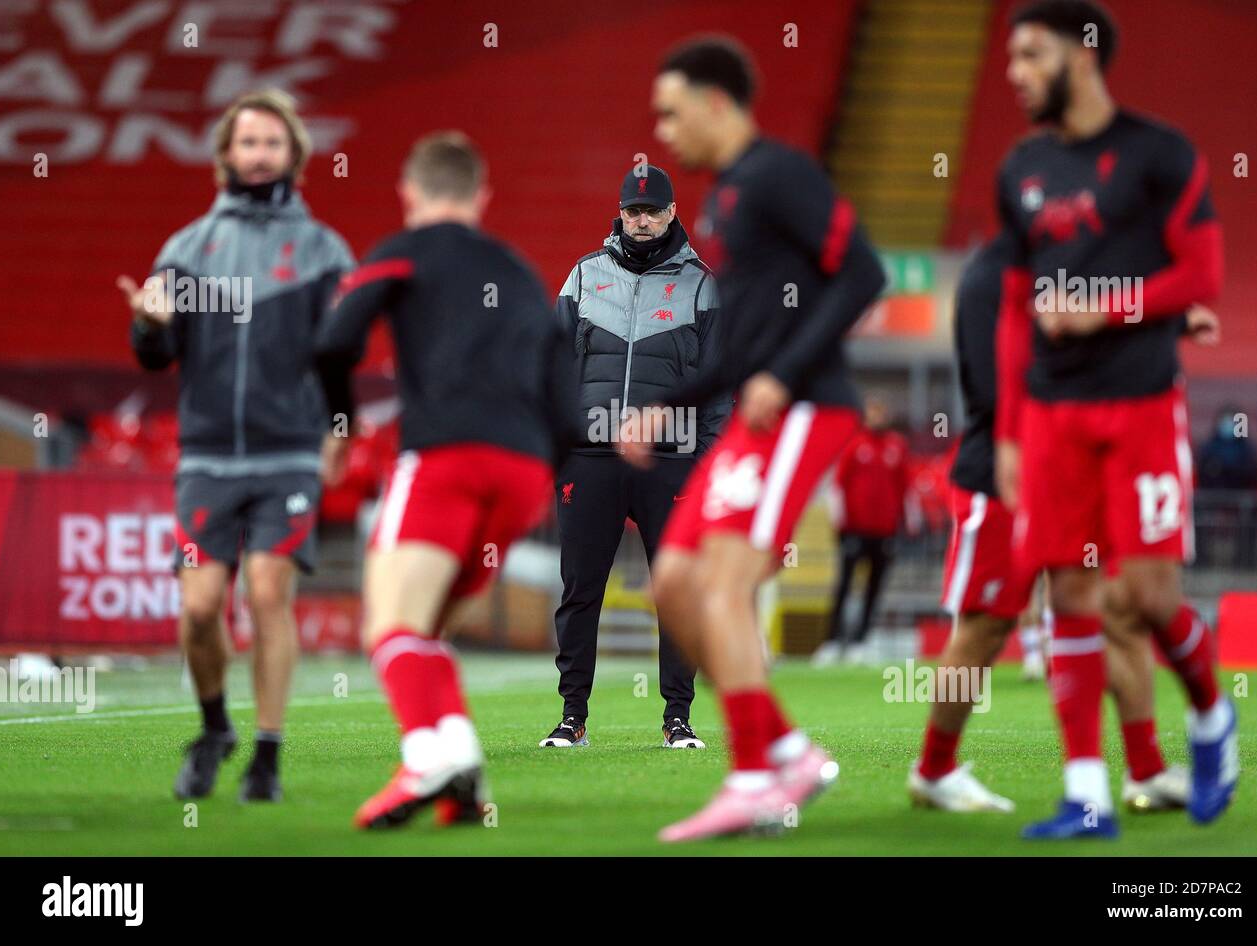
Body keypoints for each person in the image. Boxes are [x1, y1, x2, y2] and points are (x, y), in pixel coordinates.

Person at [619, 36, 887, 842]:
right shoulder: (723, 198)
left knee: (723, 583)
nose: (663, 130)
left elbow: (864, 271)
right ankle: (789, 751)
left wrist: (787, 371)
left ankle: (753, 776)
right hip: (756, 411)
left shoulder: (779, 173)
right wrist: (668, 403)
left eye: (671, 111)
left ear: (714, 101)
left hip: (807, 406)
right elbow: (738, 344)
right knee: (672, 579)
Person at [995, 0, 1234, 839]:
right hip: (1055, 413)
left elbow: (1201, 275)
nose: (1015, 72)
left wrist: (1107, 306)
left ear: (1082, 55)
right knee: (1070, 591)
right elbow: (1014, 311)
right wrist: (1010, 433)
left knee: (1147, 595)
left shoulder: (1159, 154)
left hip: (1140, 402)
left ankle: (1209, 715)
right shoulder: (1020, 169)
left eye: (1030, 55)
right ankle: (1088, 793)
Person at [313, 132, 578, 830]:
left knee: (390, 624)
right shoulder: (520, 272)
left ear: (410, 191)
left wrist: (340, 426)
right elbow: (567, 389)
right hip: (524, 472)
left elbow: (336, 338)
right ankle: (460, 774)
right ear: (481, 195)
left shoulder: (402, 250)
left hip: (445, 457)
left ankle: (428, 756)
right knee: (425, 630)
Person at [118, 89, 354, 803]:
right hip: (208, 458)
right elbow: (154, 357)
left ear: (294, 157)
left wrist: (341, 429)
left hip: (287, 453)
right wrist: (151, 325)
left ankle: (268, 757)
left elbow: (337, 358)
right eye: (247, 142)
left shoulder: (321, 252)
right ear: (225, 154)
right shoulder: (188, 250)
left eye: (271, 143)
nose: (258, 154)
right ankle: (216, 728)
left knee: (266, 590)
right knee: (198, 608)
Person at [908, 238, 1189, 814]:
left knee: (1118, 613)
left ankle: (1146, 770)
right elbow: (992, 388)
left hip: (1077, 471)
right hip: (1001, 473)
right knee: (986, 625)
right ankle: (934, 770)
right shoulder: (992, 276)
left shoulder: (1073, 269)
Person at [541, 164, 730, 751]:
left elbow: (721, 384)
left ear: (673, 213)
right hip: (590, 459)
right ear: (620, 214)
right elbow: (551, 369)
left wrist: (705, 462)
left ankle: (678, 719)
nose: (641, 219)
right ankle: (572, 718)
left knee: (677, 591)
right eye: (632, 210)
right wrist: (558, 452)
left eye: (652, 210)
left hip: (671, 460)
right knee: (580, 589)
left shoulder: (703, 285)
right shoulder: (581, 276)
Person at [816, 396, 909, 666]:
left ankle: (861, 641)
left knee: (874, 587)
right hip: (854, 530)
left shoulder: (897, 446)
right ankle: (833, 642)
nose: (877, 417)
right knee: (844, 584)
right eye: (873, 412)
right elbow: (837, 485)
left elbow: (904, 487)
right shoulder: (853, 444)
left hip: (885, 531)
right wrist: (839, 523)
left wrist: (903, 524)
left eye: (881, 412)